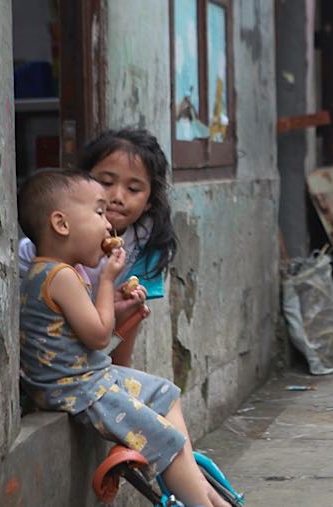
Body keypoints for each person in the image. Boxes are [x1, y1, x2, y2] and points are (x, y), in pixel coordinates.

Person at [17, 169, 222, 506]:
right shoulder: (59, 275)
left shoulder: (56, 272)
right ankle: (200, 497)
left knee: (165, 393)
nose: (108, 225)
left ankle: (196, 482)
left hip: (89, 377)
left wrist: (122, 307)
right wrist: (110, 281)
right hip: (77, 388)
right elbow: (98, 337)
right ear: (61, 224)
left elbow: (88, 332)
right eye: (98, 212)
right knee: (166, 439)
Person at [19, 128, 178, 366]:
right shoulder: (41, 248)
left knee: (135, 306)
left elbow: (129, 313)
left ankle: (119, 377)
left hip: (104, 320)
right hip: (54, 335)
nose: (116, 196)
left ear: (149, 202)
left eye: (133, 189)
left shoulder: (149, 242)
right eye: (105, 182)